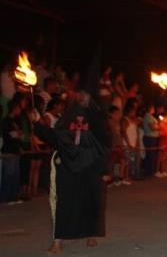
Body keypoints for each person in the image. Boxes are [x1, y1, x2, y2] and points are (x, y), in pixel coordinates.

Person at [34, 92, 109, 254]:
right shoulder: (66, 119)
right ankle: (57, 242)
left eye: (87, 100)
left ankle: (91, 233)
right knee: (63, 203)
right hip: (68, 166)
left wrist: (104, 169)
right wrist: (39, 127)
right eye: (81, 99)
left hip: (89, 165)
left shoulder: (96, 121)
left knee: (90, 200)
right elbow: (55, 136)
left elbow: (103, 145)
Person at [0, 100, 23, 204]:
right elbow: (13, 135)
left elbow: (20, 135)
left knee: (15, 175)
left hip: (15, 150)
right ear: (14, 108)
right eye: (18, 108)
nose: (20, 110)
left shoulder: (16, 120)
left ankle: (13, 197)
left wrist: (18, 134)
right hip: (8, 151)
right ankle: (6, 198)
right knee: (8, 175)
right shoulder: (6, 121)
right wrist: (17, 133)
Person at [108, 105, 129, 186]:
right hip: (113, 145)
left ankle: (121, 178)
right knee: (111, 163)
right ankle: (110, 179)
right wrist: (111, 146)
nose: (118, 115)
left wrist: (122, 144)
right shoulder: (109, 123)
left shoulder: (117, 123)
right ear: (111, 114)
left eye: (119, 113)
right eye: (116, 113)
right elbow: (109, 135)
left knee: (123, 160)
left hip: (119, 145)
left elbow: (119, 134)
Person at [121, 104, 141, 180]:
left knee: (131, 160)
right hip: (127, 144)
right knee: (126, 161)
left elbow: (136, 132)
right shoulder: (125, 120)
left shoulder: (134, 121)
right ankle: (123, 177)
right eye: (133, 112)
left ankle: (129, 176)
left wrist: (136, 142)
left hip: (133, 143)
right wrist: (128, 143)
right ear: (129, 112)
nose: (134, 113)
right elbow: (124, 132)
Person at [142, 104, 159, 177]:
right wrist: (159, 127)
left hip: (153, 137)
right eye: (152, 108)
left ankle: (151, 171)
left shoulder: (151, 117)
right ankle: (149, 172)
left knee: (152, 155)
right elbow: (152, 128)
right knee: (150, 155)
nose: (154, 109)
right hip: (150, 138)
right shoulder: (147, 117)